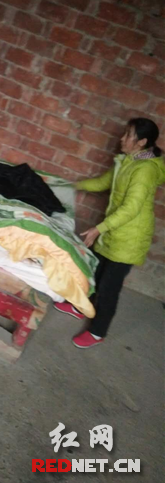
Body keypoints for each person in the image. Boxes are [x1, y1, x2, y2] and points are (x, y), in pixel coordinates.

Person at [55, 117, 165, 349]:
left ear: (142, 142)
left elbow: (131, 208)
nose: (122, 139)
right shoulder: (126, 160)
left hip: (129, 239)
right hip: (114, 232)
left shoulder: (145, 169)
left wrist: (99, 229)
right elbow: (102, 183)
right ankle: (79, 306)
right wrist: (73, 185)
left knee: (108, 288)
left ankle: (98, 331)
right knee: (93, 272)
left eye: (128, 135)